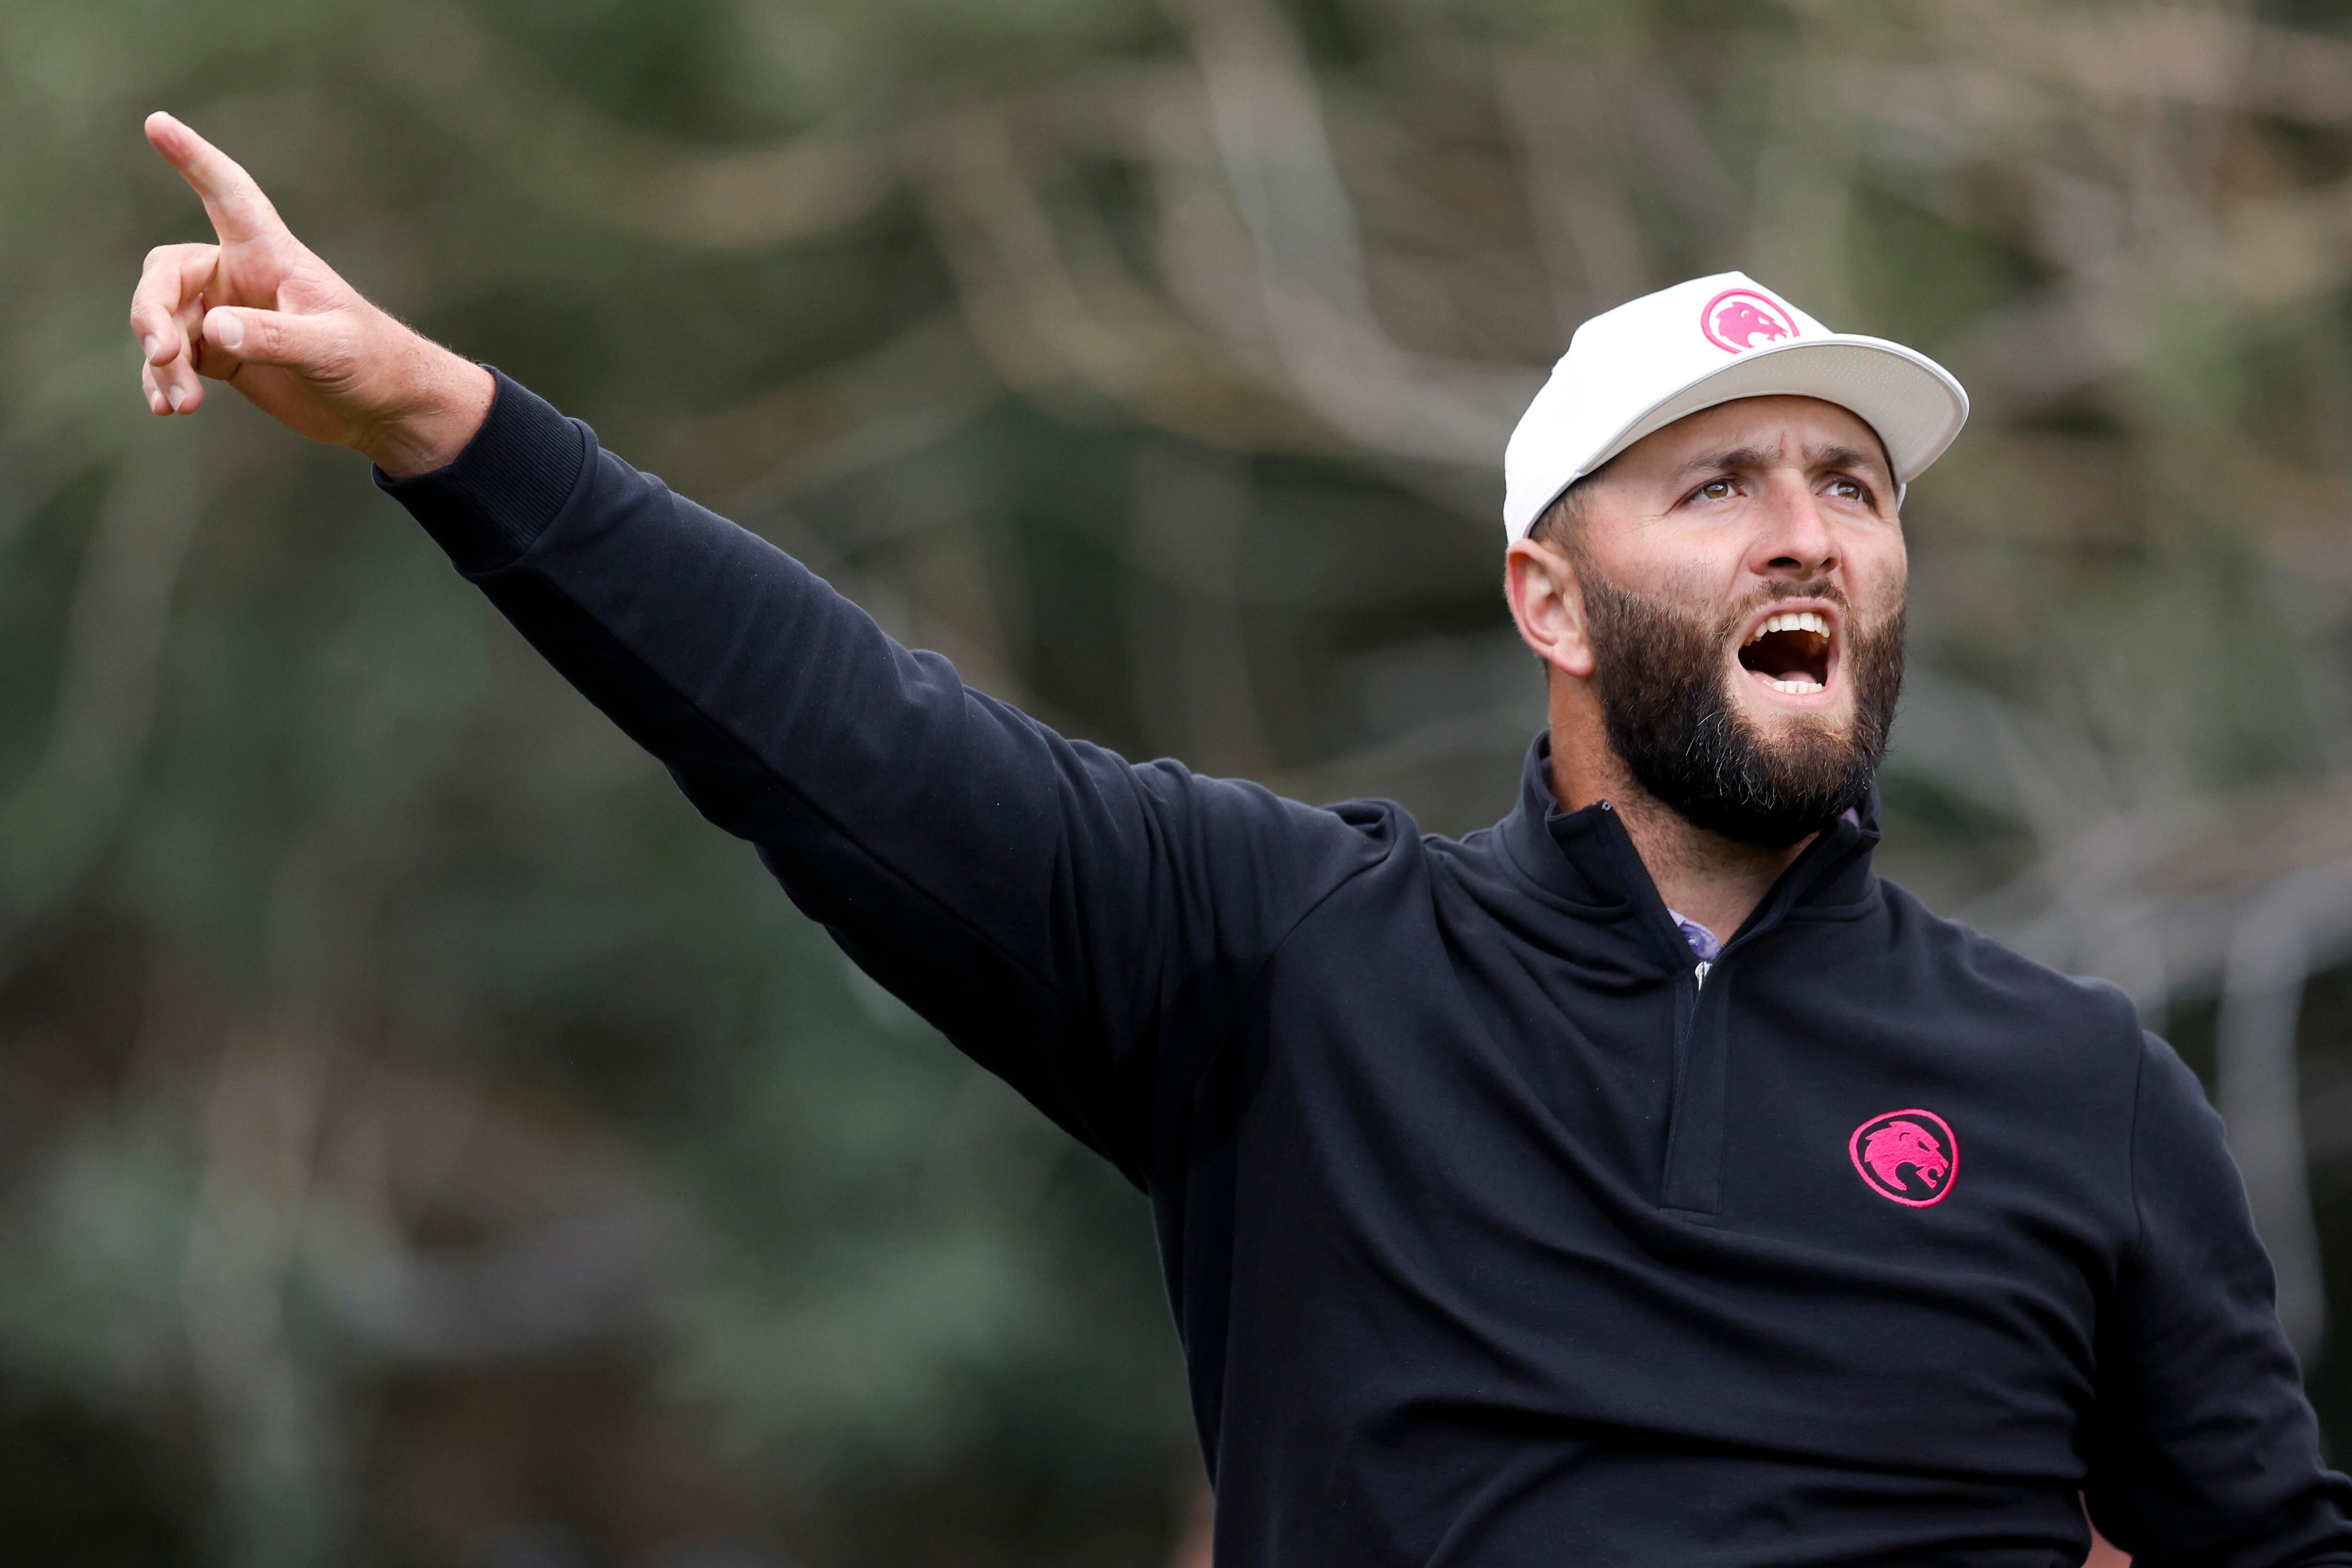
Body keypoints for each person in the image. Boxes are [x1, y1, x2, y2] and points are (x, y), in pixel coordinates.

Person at [129, 111, 2352, 1568]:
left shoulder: (2076, 1091)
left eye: (1850, 488)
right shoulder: (1287, 960)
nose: (1809, 530)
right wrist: (450, 428)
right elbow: (849, 737)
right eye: (1722, 485)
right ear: (1545, 602)